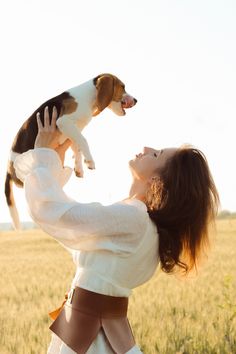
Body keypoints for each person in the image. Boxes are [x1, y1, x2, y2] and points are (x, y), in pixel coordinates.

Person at [14, 106, 219, 354]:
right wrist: (52, 161)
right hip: (96, 337)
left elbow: (57, 214)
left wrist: (44, 155)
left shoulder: (134, 219)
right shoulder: (143, 228)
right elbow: (74, 233)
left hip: (90, 341)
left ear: (157, 182)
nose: (146, 149)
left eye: (156, 155)